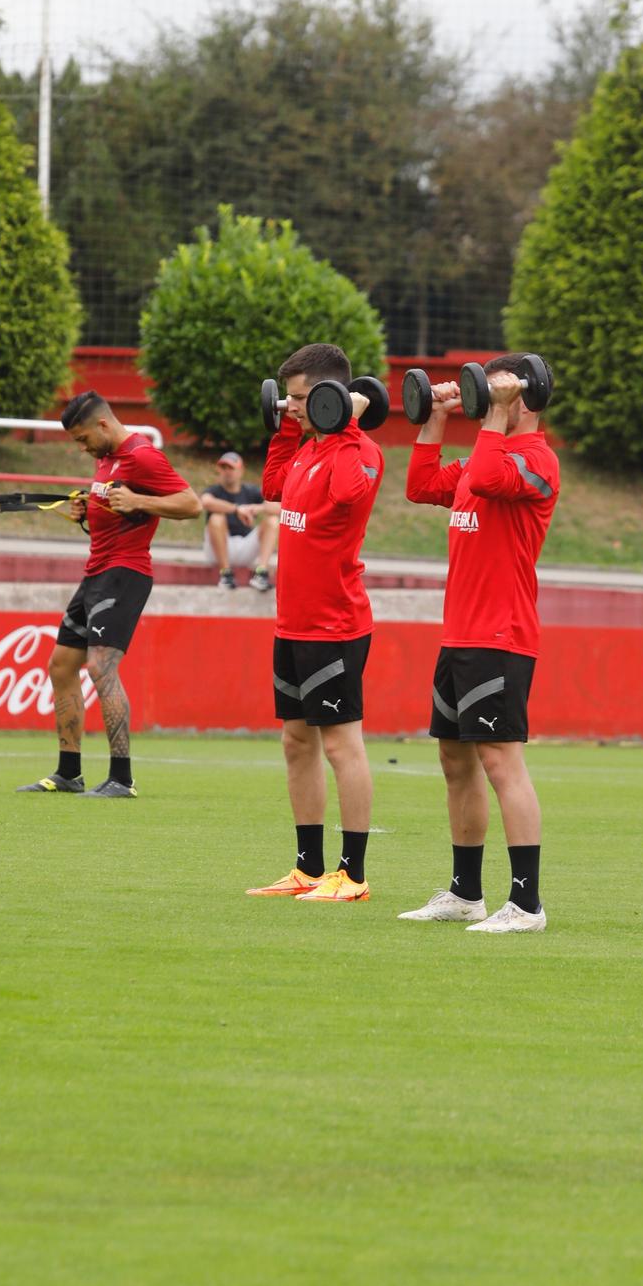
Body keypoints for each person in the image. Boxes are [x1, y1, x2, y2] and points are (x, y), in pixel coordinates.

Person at [399, 354, 560, 934]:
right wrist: (436, 415)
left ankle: (526, 903)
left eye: (495, 390)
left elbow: (492, 479)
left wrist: (494, 409)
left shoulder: (537, 461)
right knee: (454, 759)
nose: (482, 400)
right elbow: (420, 485)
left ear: (524, 395)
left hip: (502, 635)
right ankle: (466, 892)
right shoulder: (484, 456)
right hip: (459, 633)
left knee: (500, 761)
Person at [247, 342, 385, 903]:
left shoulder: (361, 452)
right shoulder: (305, 449)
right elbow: (273, 487)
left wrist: (347, 423)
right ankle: (308, 867)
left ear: (331, 397)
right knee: (295, 741)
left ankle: (352, 876)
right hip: (293, 624)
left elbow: (351, 493)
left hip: (336, 625)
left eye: (302, 399)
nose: (291, 406)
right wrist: (285, 429)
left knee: (340, 747)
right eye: (289, 398)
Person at [18, 390, 201, 799]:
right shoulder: (106, 459)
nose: (82, 448)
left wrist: (138, 500)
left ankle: (122, 778)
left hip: (126, 573)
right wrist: (88, 509)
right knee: (61, 665)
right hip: (96, 572)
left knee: (101, 666)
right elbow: (114, 505)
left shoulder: (143, 454)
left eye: (83, 439)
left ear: (103, 424)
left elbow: (191, 504)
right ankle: (69, 773)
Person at [198, 452, 280, 592]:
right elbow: (205, 502)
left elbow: (279, 506)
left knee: (272, 520)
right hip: (219, 550)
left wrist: (258, 508)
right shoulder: (214, 490)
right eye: (223, 468)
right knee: (216, 518)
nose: (227, 472)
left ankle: (261, 573)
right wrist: (236, 509)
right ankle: (225, 574)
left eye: (231, 468)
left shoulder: (250, 491)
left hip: (245, 548)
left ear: (241, 470)